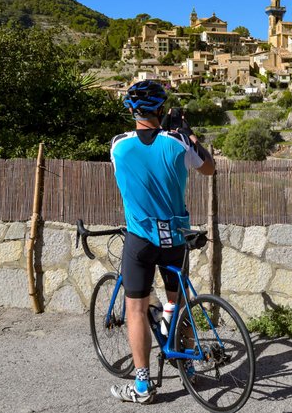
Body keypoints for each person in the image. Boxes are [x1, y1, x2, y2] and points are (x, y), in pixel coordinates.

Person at [108, 80, 215, 404]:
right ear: (161, 109)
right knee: (176, 302)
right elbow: (209, 168)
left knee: (137, 310)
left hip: (140, 240)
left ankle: (142, 386)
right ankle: (185, 361)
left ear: (131, 110)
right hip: (175, 239)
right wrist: (187, 132)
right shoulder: (180, 143)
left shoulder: (118, 146)